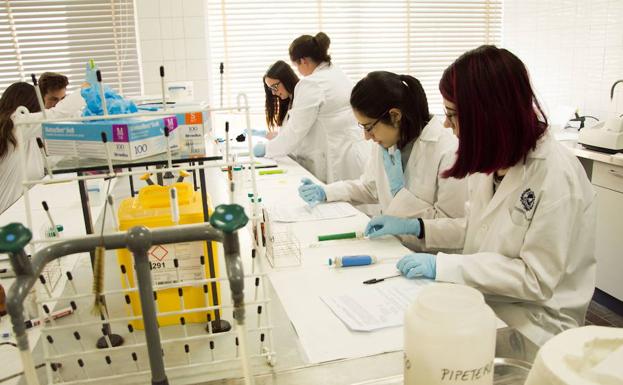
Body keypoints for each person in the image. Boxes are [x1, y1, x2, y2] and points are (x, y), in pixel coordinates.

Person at [367, 45, 596, 345]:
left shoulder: (556, 175)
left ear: (487, 114)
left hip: (535, 321)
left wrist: (444, 266)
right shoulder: (493, 161)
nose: (447, 124)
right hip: (487, 300)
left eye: (452, 114)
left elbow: (535, 279)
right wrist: (418, 227)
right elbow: (476, 227)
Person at [298, 71, 467, 251]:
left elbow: (454, 227)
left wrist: (400, 195)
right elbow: (370, 188)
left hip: (432, 259)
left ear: (395, 116)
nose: (367, 137)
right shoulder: (388, 142)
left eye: (369, 127)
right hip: (393, 247)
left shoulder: (448, 151)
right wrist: (326, 192)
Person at [253, 32, 368, 183]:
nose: (298, 71)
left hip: (335, 158)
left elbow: (295, 131)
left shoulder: (311, 84)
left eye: (296, 65)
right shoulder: (337, 73)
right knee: (358, 203)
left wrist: (268, 149)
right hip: (356, 152)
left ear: (304, 61)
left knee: (342, 202)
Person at [0, 82, 85, 213]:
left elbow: (42, 162)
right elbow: (56, 115)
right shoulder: (15, 124)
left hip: (19, 211)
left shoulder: (25, 135)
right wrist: (84, 90)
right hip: (6, 214)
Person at [263, 60, 299, 139]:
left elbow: (295, 135)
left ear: (286, 79)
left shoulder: (300, 100)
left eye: (274, 87)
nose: (273, 93)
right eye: (270, 89)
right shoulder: (288, 102)